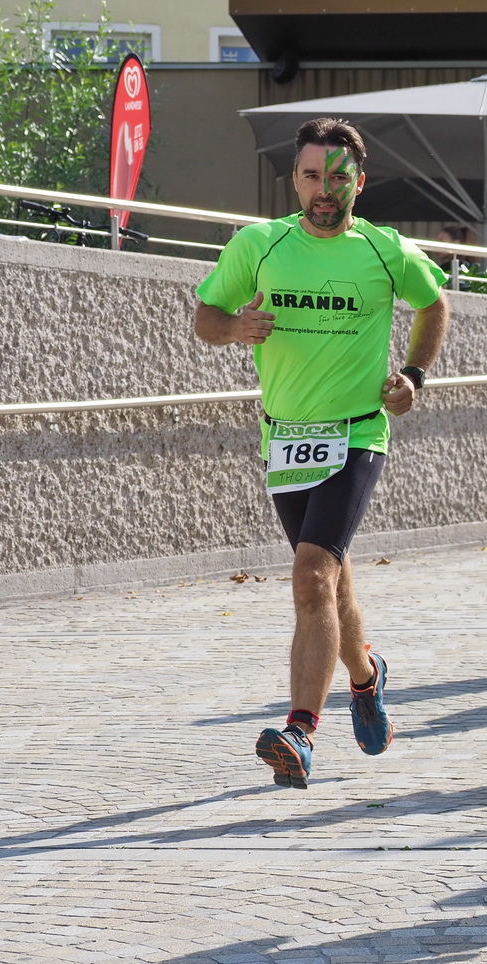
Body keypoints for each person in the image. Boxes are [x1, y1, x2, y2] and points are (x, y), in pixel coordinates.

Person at [193, 117, 450, 788]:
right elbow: (205, 317)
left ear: (358, 183)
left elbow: (434, 303)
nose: (324, 190)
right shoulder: (261, 244)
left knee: (311, 576)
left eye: (338, 177)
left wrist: (413, 377)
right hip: (286, 440)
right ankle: (366, 678)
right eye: (312, 176)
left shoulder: (385, 250)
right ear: (296, 180)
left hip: (359, 432)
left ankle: (300, 731)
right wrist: (235, 328)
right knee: (331, 584)